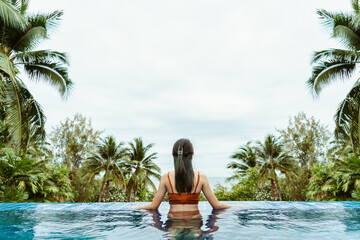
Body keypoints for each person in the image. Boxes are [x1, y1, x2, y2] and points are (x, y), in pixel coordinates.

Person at [133, 138, 232, 215]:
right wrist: (236, 206)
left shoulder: (166, 177)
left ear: (174, 156)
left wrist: (134, 207)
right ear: (191, 155)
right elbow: (217, 205)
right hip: (194, 224)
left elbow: (153, 206)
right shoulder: (201, 177)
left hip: (173, 225)